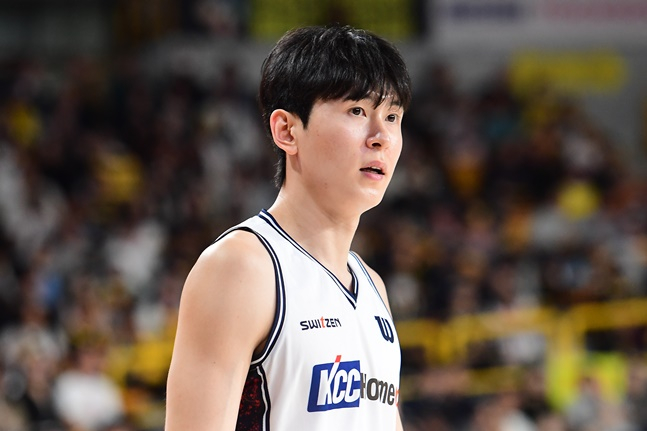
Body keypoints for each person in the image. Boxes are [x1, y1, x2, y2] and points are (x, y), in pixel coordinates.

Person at [164, 23, 412, 430]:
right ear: (287, 130)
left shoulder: (373, 287)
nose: (381, 136)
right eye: (357, 111)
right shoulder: (240, 268)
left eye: (392, 116)